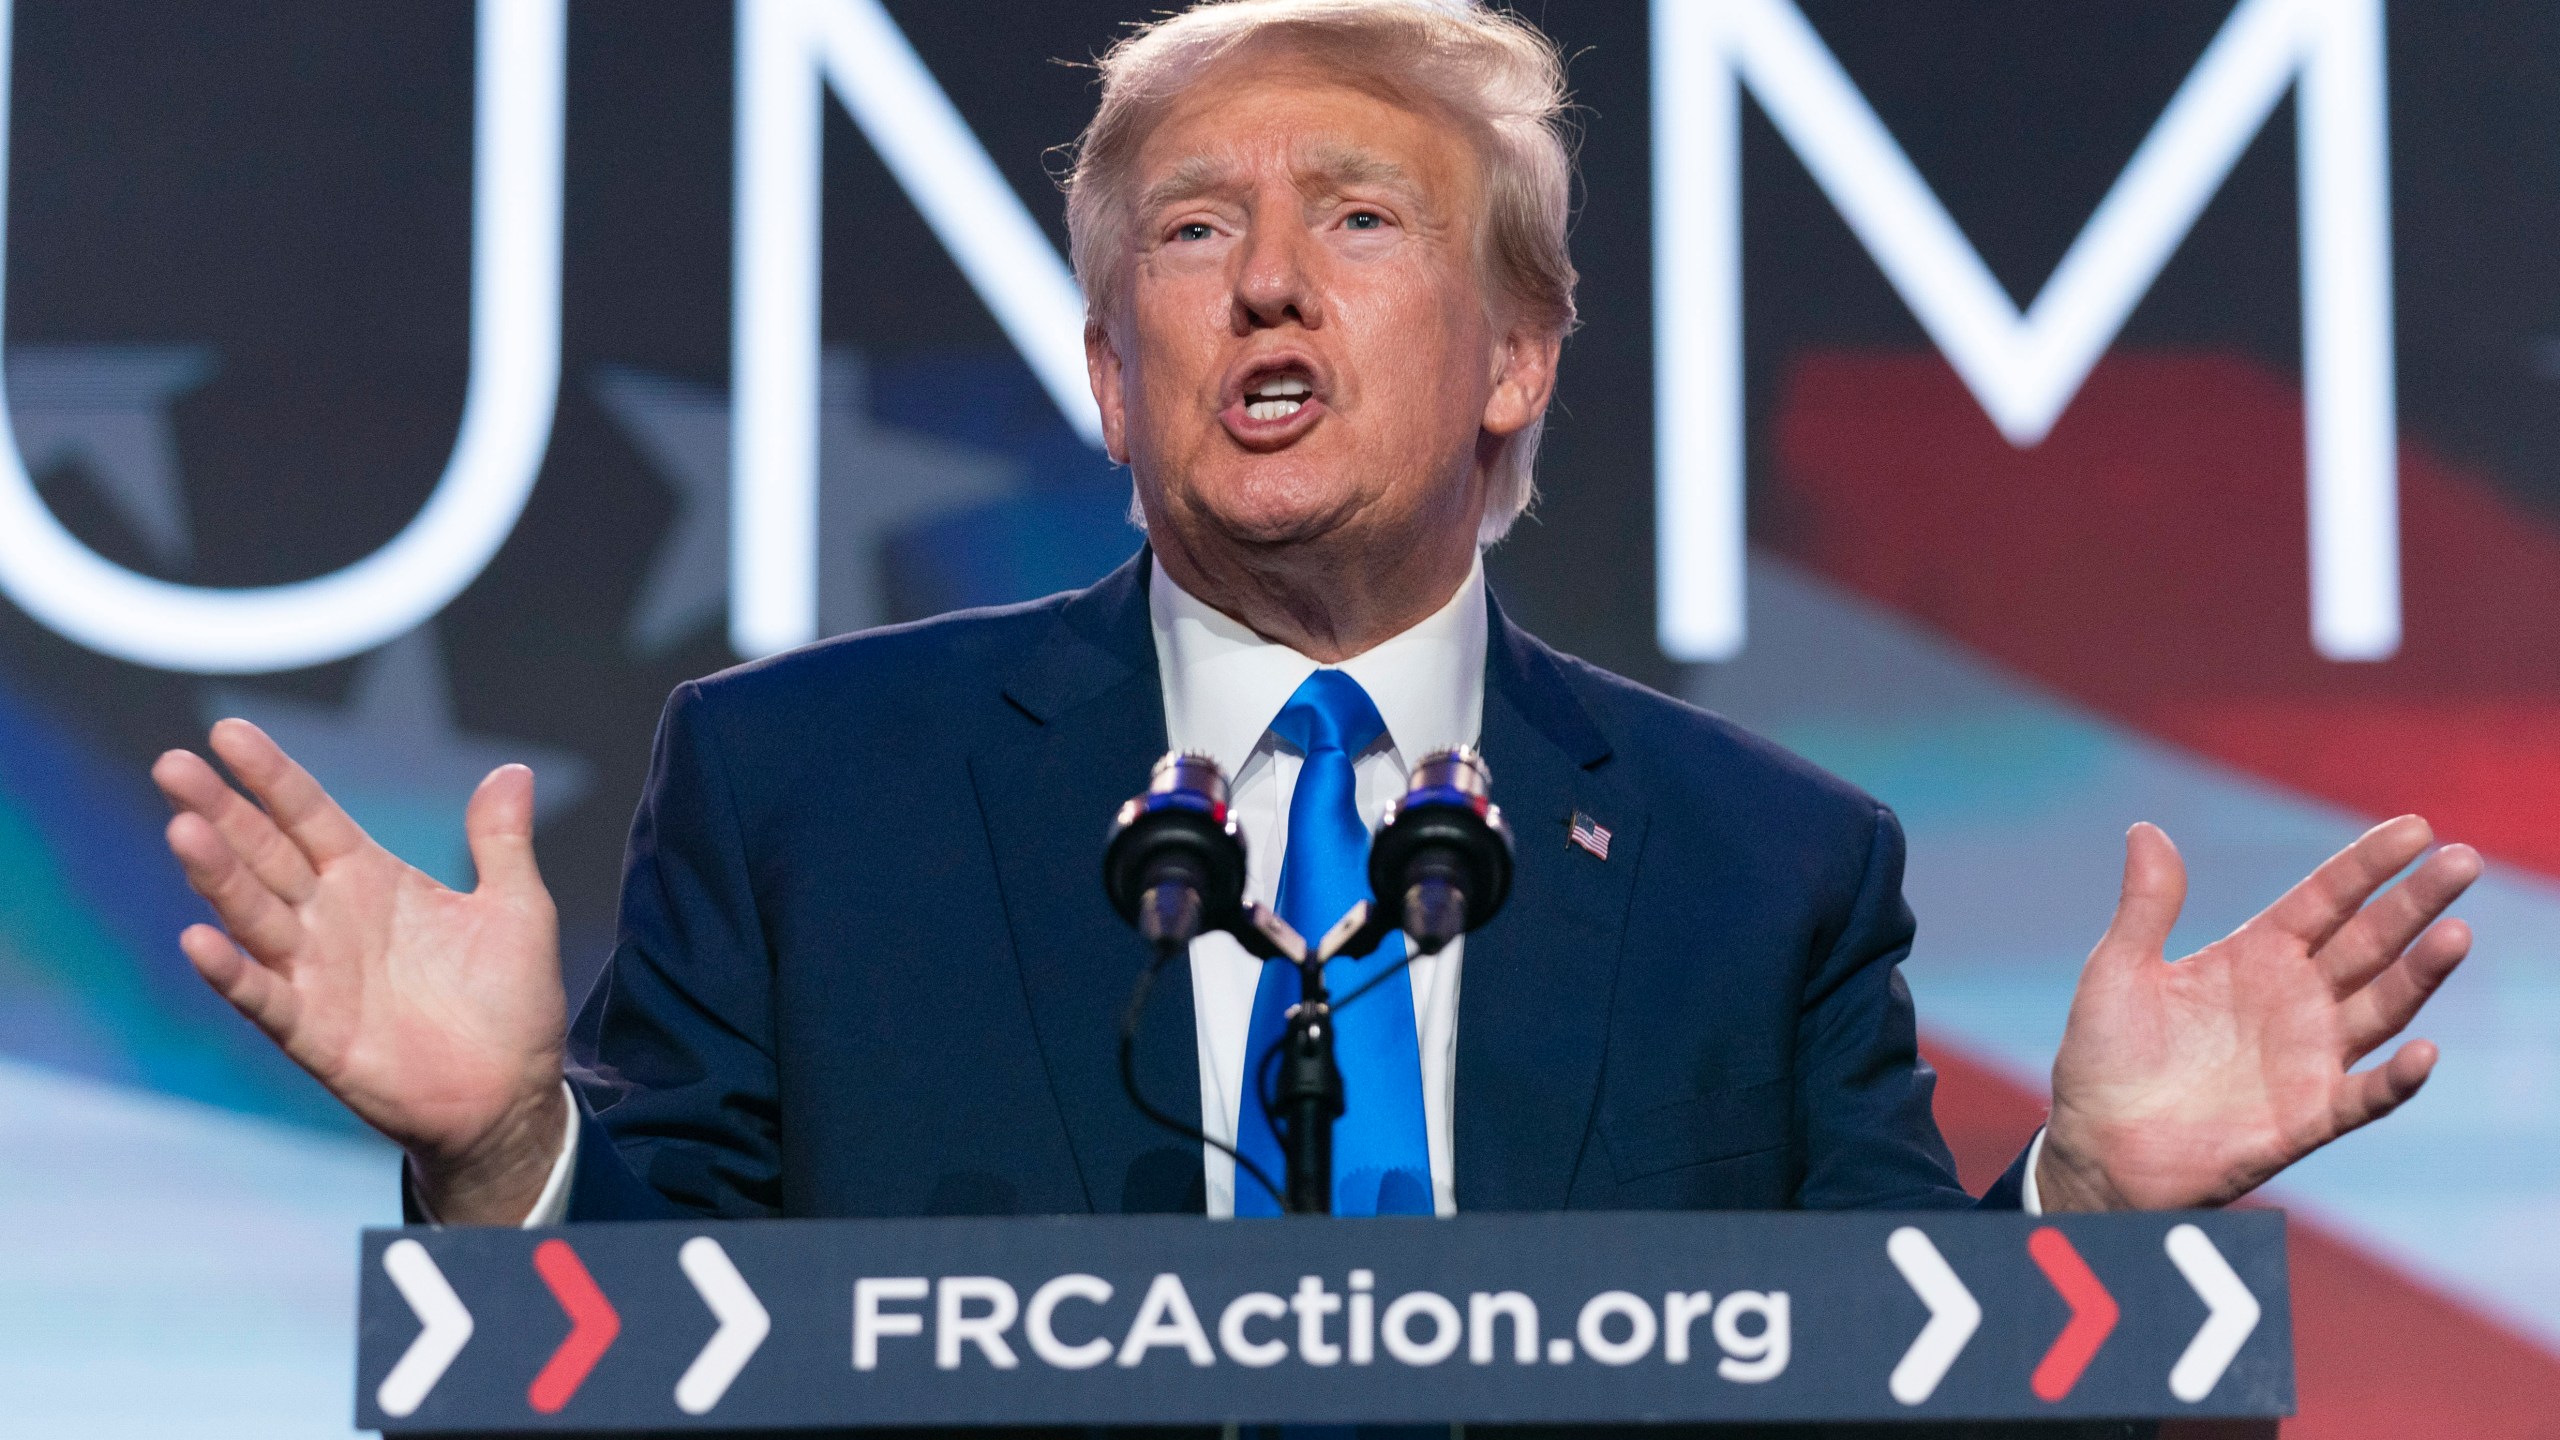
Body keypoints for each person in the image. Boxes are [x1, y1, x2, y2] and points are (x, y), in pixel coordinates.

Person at [150, 0, 2475, 1228]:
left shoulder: (1764, 873)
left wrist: (2083, 1205)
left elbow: (1878, 1397)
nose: (1260, 272)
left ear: (1515, 357)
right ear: (1105, 369)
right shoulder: (804, 792)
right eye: (1186, 231)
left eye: (1355, 218)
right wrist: (501, 1155)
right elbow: (631, 1373)